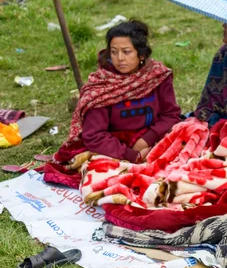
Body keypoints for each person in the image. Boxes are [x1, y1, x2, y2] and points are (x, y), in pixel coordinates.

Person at [54, 19, 180, 165]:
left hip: (153, 139)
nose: (120, 58)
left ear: (141, 55)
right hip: (115, 148)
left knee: (192, 131)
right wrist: (132, 155)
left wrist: (146, 140)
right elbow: (94, 135)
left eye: (126, 52)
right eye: (114, 52)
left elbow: (170, 115)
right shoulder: (101, 87)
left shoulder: (157, 76)